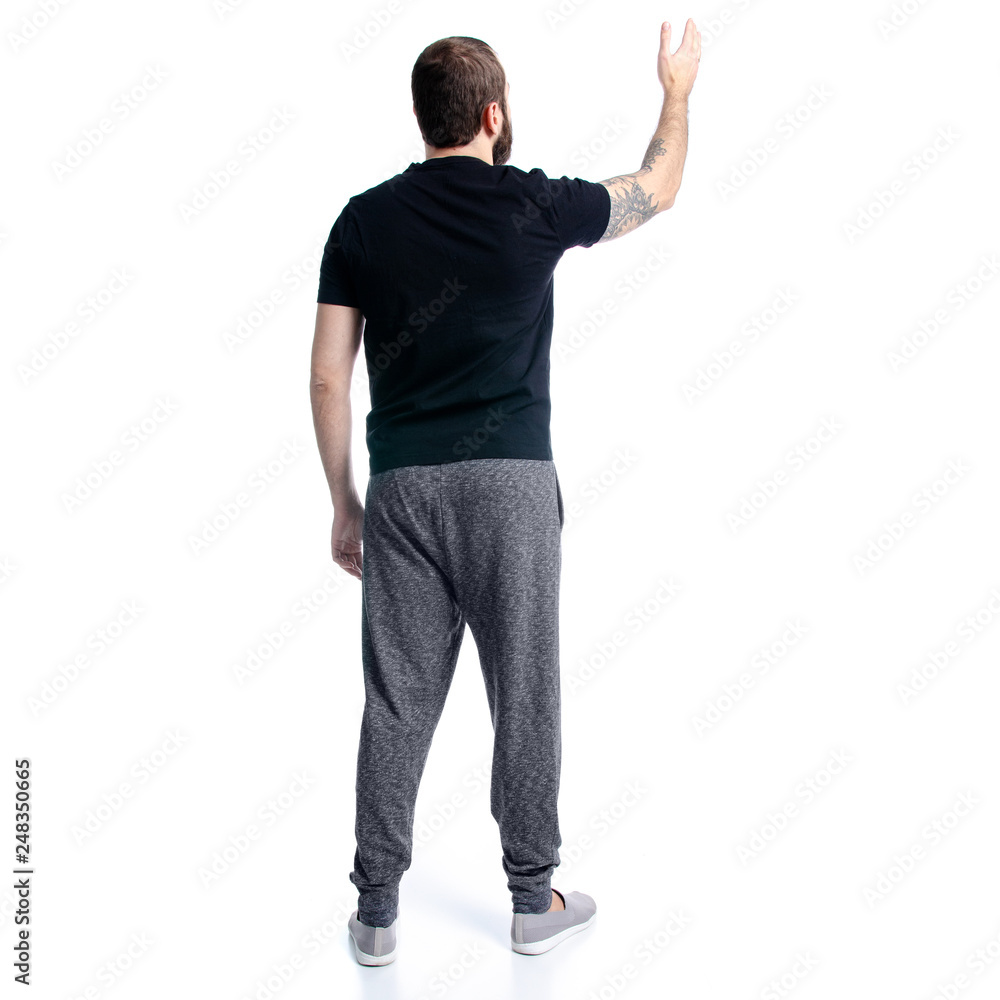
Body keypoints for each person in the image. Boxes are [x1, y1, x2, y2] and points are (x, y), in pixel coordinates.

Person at [309, 19, 700, 966]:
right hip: (512, 489)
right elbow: (658, 190)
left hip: (403, 488)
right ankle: (533, 899)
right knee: (525, 690)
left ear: (423, 118)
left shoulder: (362, 221)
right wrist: (676, 93)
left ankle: (374, 916)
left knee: (397, 701)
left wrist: (345, 502)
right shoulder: (536, 205)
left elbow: (328, 378)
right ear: (492, 114)